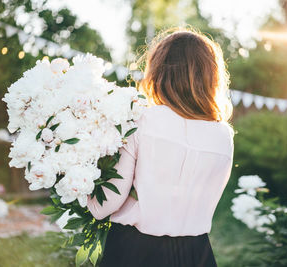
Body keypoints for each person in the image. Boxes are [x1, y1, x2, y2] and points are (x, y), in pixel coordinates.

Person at [86, 27, 234, 267]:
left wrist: (74, 179)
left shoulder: (142, 120)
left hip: (135, 251)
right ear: (211, 76)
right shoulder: (224, 134)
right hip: (197, 254)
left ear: (159, 71)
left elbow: (106, 204)